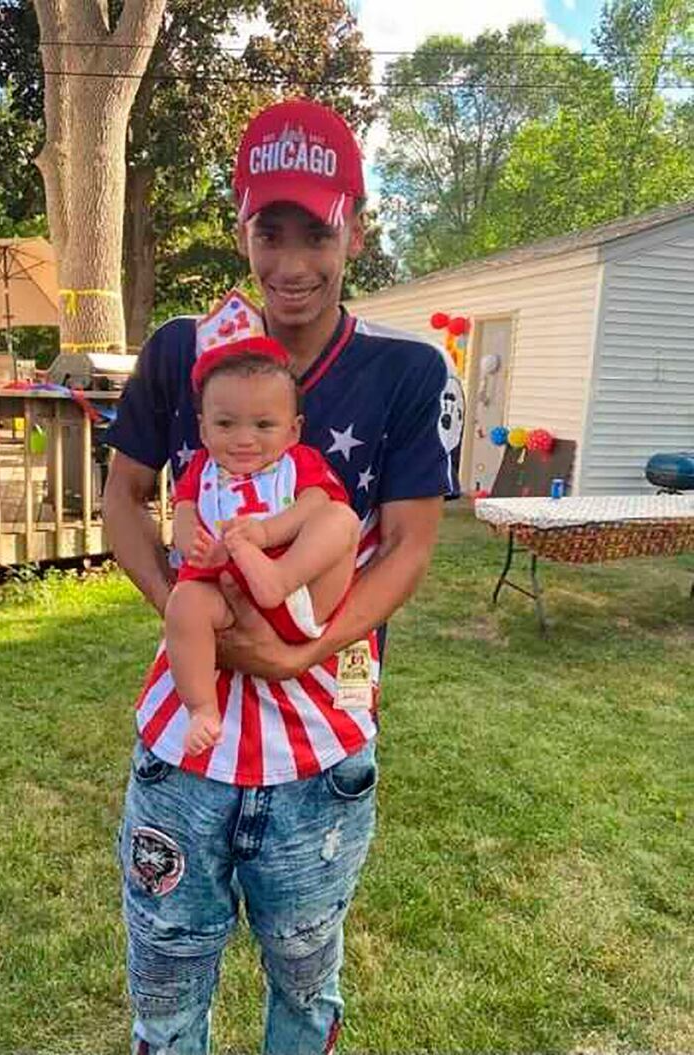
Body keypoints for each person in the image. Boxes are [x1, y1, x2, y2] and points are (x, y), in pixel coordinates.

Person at [103, 96, 463, 1055]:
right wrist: (204, 622)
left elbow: (411, 546)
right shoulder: (184, 351)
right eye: (271, 230)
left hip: (324, 742)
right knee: (169, 982)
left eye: (319, 230)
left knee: (306, 980)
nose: (293, 262)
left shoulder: (408, 372)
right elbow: (122, 502)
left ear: (356, 225)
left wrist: (298, 646)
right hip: (189, 745)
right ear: (240, 227)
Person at [167, 335, 360, 757]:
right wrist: (190, 542)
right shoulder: (201, 468)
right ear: (202, 428)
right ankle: (201, 708)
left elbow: (317, 501)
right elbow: (183, 508)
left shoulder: (300, 461)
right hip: (228, 598)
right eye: (225, 424)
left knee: (342, 519)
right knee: (183, 603)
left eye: (263, 425)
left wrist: (267, 534)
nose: (243, 439)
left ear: (293, 431)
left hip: (297, 594)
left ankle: (277, 575)